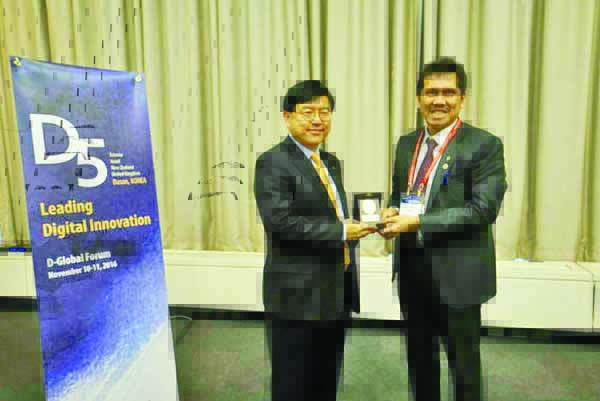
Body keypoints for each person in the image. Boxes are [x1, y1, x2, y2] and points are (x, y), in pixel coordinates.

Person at [379, 57, 507, 401]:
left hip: (459, 274)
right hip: (413, 270)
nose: (439, 100)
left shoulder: (484, 145)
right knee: (420, 360)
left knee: (463, 367)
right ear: (418, 98)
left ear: (462, 98)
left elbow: (483, 210)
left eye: (448, 92)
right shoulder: (406, 144)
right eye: (431, 92)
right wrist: (392, 211)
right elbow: (403, 192)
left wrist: (418, 221)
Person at [254, 80, 374, 401]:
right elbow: (280, 224)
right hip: (296, 297)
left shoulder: (330, 162)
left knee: (325, 379)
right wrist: (341, 232)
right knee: (293, 384)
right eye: (307, 112)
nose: (317, 120)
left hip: (334, 292)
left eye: (324, 112)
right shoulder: (272, 163)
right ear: (287, 117)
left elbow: (332, 214)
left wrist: (369, 221)